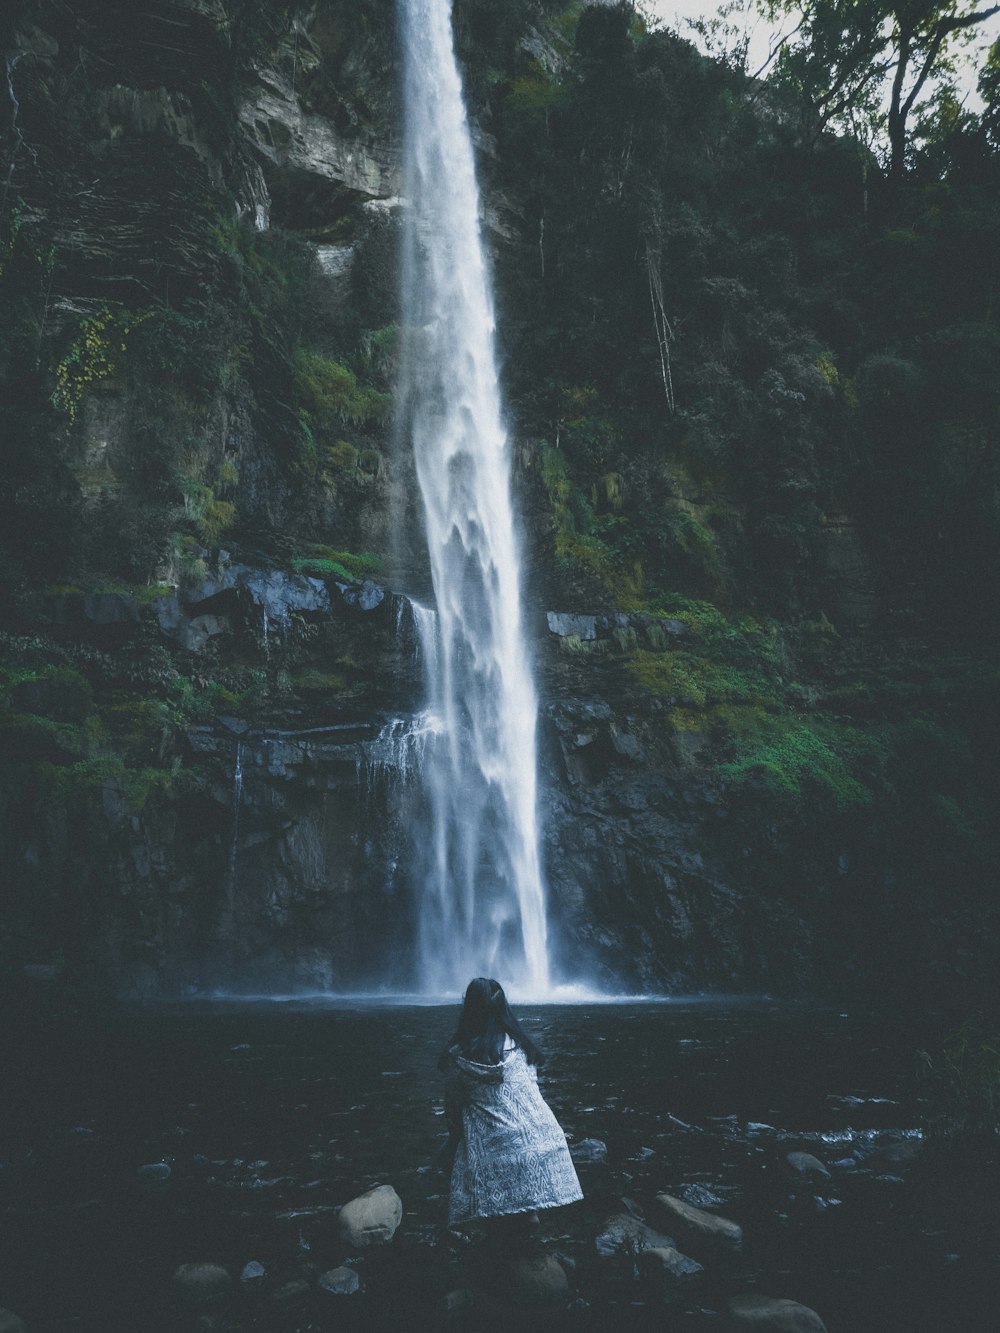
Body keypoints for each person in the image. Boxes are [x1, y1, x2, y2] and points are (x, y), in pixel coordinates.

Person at [438, 977, 583, 1237]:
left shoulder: (457, 1057)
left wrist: (451, 1150)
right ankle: (527, 1217)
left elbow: (453, 1116)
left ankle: (490, 1227)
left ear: (468, 1008)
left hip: (498, 1155)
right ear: (504, 1008)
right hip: (545, 1142)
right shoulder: (522, 1047)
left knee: (455, 1150)